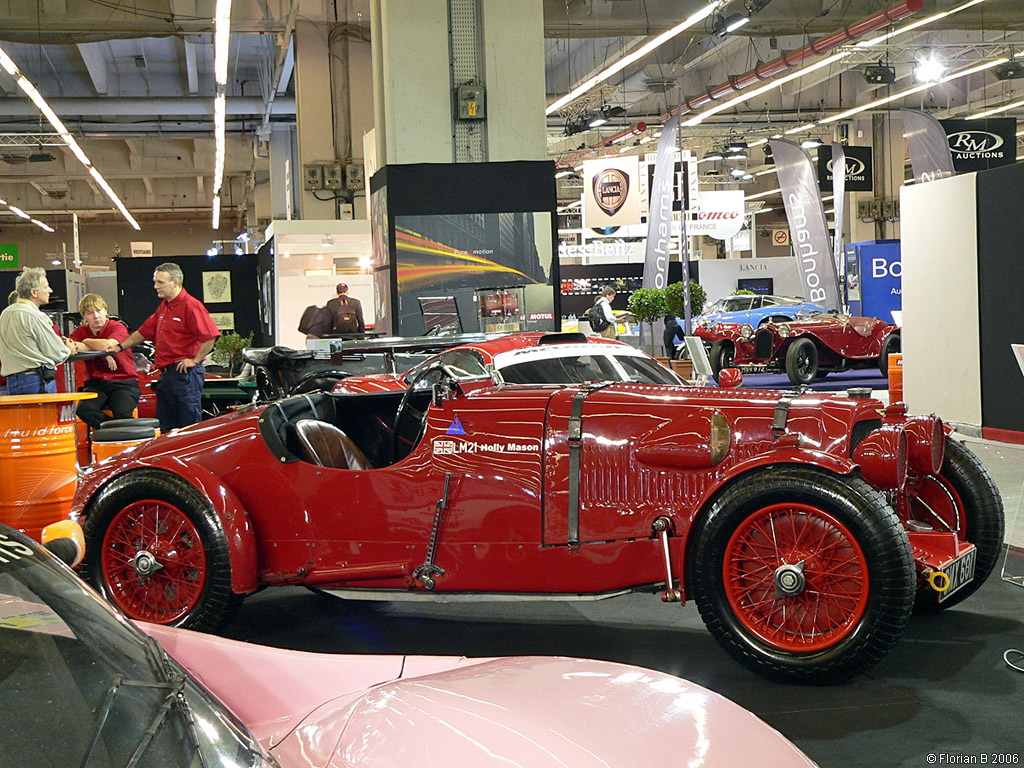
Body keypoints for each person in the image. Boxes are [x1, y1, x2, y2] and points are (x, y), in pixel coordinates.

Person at [104, 262, 220, 432]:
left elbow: (210, 336)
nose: (155, 286)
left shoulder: (190, 305)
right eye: (155, 281)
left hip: (184, 375)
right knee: (165, 426)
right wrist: (120, 347)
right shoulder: (165, 307)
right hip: (167, 376)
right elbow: (143, 332)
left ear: (175, 282)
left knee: (187, 426)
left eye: (160, 282)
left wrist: (194, 360)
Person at [68, 293, 140, 429]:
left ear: (106, 311)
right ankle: (112, 431)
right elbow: (70, 345)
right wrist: (103, 354)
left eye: (99, 311)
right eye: (90, 313)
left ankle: (124, 438)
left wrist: (86, 342)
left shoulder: (117, 327)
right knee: (83, 410)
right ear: (84, 316)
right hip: (96, 384)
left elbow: (109, 345)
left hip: (123, 382)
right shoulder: (81, 330)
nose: (96, 316)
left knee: (122, 413)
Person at [0, 268, 75, 395]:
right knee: (44, 416)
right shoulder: (35, 316)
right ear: (34, 292)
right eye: (46, 287)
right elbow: (57, 353)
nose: (50, 290)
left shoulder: (5, 314)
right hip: (36, 381)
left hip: (12, 382)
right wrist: (69, 349)